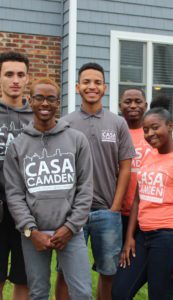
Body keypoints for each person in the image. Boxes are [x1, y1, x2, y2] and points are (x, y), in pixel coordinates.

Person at [3, 78, 93, 300]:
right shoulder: (18, 145)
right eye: (39, 98)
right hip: (34, 234)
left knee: (82, 293)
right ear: (30, 101)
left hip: (71, 232)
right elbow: (14, 194)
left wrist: (71, 227)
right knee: (38, 293)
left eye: (51, 99)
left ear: (57, 103)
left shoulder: (76, 139)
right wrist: (30, 231)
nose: (45, 103)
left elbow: (85, 187)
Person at [56, 63, 136, 300]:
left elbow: (125, 167)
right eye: (87, 82)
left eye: (97, 82)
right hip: (72, 213)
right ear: (78, 87)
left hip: (106, 211)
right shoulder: (65, 123)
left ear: (105, 87)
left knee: (108, 271)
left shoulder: (117, 123)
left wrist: (115, 207)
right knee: (64, 272)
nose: (92, 86)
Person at [112, 99, 173, 300]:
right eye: (145, 130)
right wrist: (129, 238)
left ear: (170, 126)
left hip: (169, 237)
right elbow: (137, 200)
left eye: (155, 127)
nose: (150, 134)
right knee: (120, 291)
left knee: (159, 295)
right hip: (143, 236)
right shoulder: (148, 156)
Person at [0, 51, 32, 300]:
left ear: (27, 79)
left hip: (27, 209)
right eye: (9, 74)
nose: (15, 80)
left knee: (24, 277)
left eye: (21, 74)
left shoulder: (37, 119)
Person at [119, 88, 151, 240]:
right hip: (119, 209)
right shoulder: (115, 131)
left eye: (138, 102)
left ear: (145, 105)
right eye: (127, 102)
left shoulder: (153, 132)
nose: (132, 106)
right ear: (120, 106)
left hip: (147, 209)